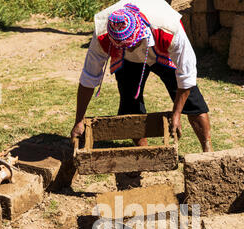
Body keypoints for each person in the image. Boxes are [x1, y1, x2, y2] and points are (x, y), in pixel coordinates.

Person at [71, 0, 213, 152]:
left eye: (132, 45)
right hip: (126, 61)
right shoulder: (103, 34)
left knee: (192, 100)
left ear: (141, 33)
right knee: (130, 102)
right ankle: (142, 152)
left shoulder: (169, 28)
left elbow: (187, 76)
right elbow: (88, 78)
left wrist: (177, 114)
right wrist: (79, 120)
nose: (130, 49)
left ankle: (207, 149)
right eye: (124, 46)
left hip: (160, 50)